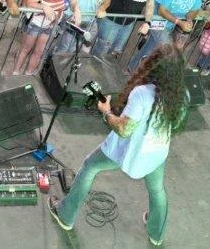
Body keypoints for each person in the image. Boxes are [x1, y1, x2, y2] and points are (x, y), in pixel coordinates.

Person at [48, 44, 187, 246]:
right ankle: (156, 234)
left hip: (127, 152)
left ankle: (65, 215)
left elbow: (124, 130)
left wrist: (106, 111)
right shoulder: (181, 95)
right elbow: (175, 124)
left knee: (90, 167)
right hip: (156, 152)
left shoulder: (142, 94)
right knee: (157, 191)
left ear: (154, 66)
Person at [14, 0, 81, 75]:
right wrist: (44, 7)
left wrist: (76, 10)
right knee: (26, 48)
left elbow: (73, 3)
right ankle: (15, 72)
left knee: (39, 51)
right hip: (37, 21)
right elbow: (30, 2)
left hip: (52, 24)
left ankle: (28, 74)